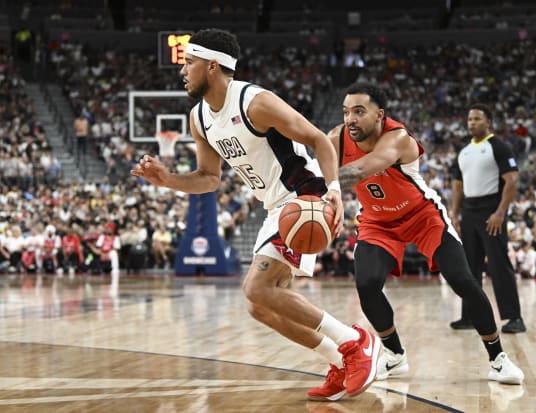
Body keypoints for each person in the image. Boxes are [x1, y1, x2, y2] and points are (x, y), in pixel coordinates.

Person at [130, 28, 381, 401]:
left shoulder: (254, 101)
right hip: (274, 204)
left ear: (213, 66)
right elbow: (209, 178)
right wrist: (166, 180)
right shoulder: (199, 118)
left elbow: (317, 139)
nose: (184, 71)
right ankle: (340, 362)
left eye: (191, 63)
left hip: (304, 194)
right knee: (258, 306)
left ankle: (355, 343)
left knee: (256, 288)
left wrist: (333, 191)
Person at [326, 82, 524, 385]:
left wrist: (323, 179)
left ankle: (498, 359)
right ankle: (395, 355)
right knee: (366, 284)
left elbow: (367, 167)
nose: (350, 118)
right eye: (345, 112)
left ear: (379, 115)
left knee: (462, 280)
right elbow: (314, 155)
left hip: (422, 215)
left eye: (358, 111)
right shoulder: (336, 138)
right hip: (377, 221)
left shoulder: (399, 137)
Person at [450, 103, 526, 334]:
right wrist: (455, 214)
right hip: (469, 212)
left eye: (477, 119)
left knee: (498, 265)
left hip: (491, 210)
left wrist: (500, 212)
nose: (472, 122)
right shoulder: (463, 151)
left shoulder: (499, 147)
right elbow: (457, 185)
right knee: (469, 268)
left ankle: (514, 318)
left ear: (488, 122)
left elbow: (512, 181)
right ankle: (470, 316)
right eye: (469, 119)